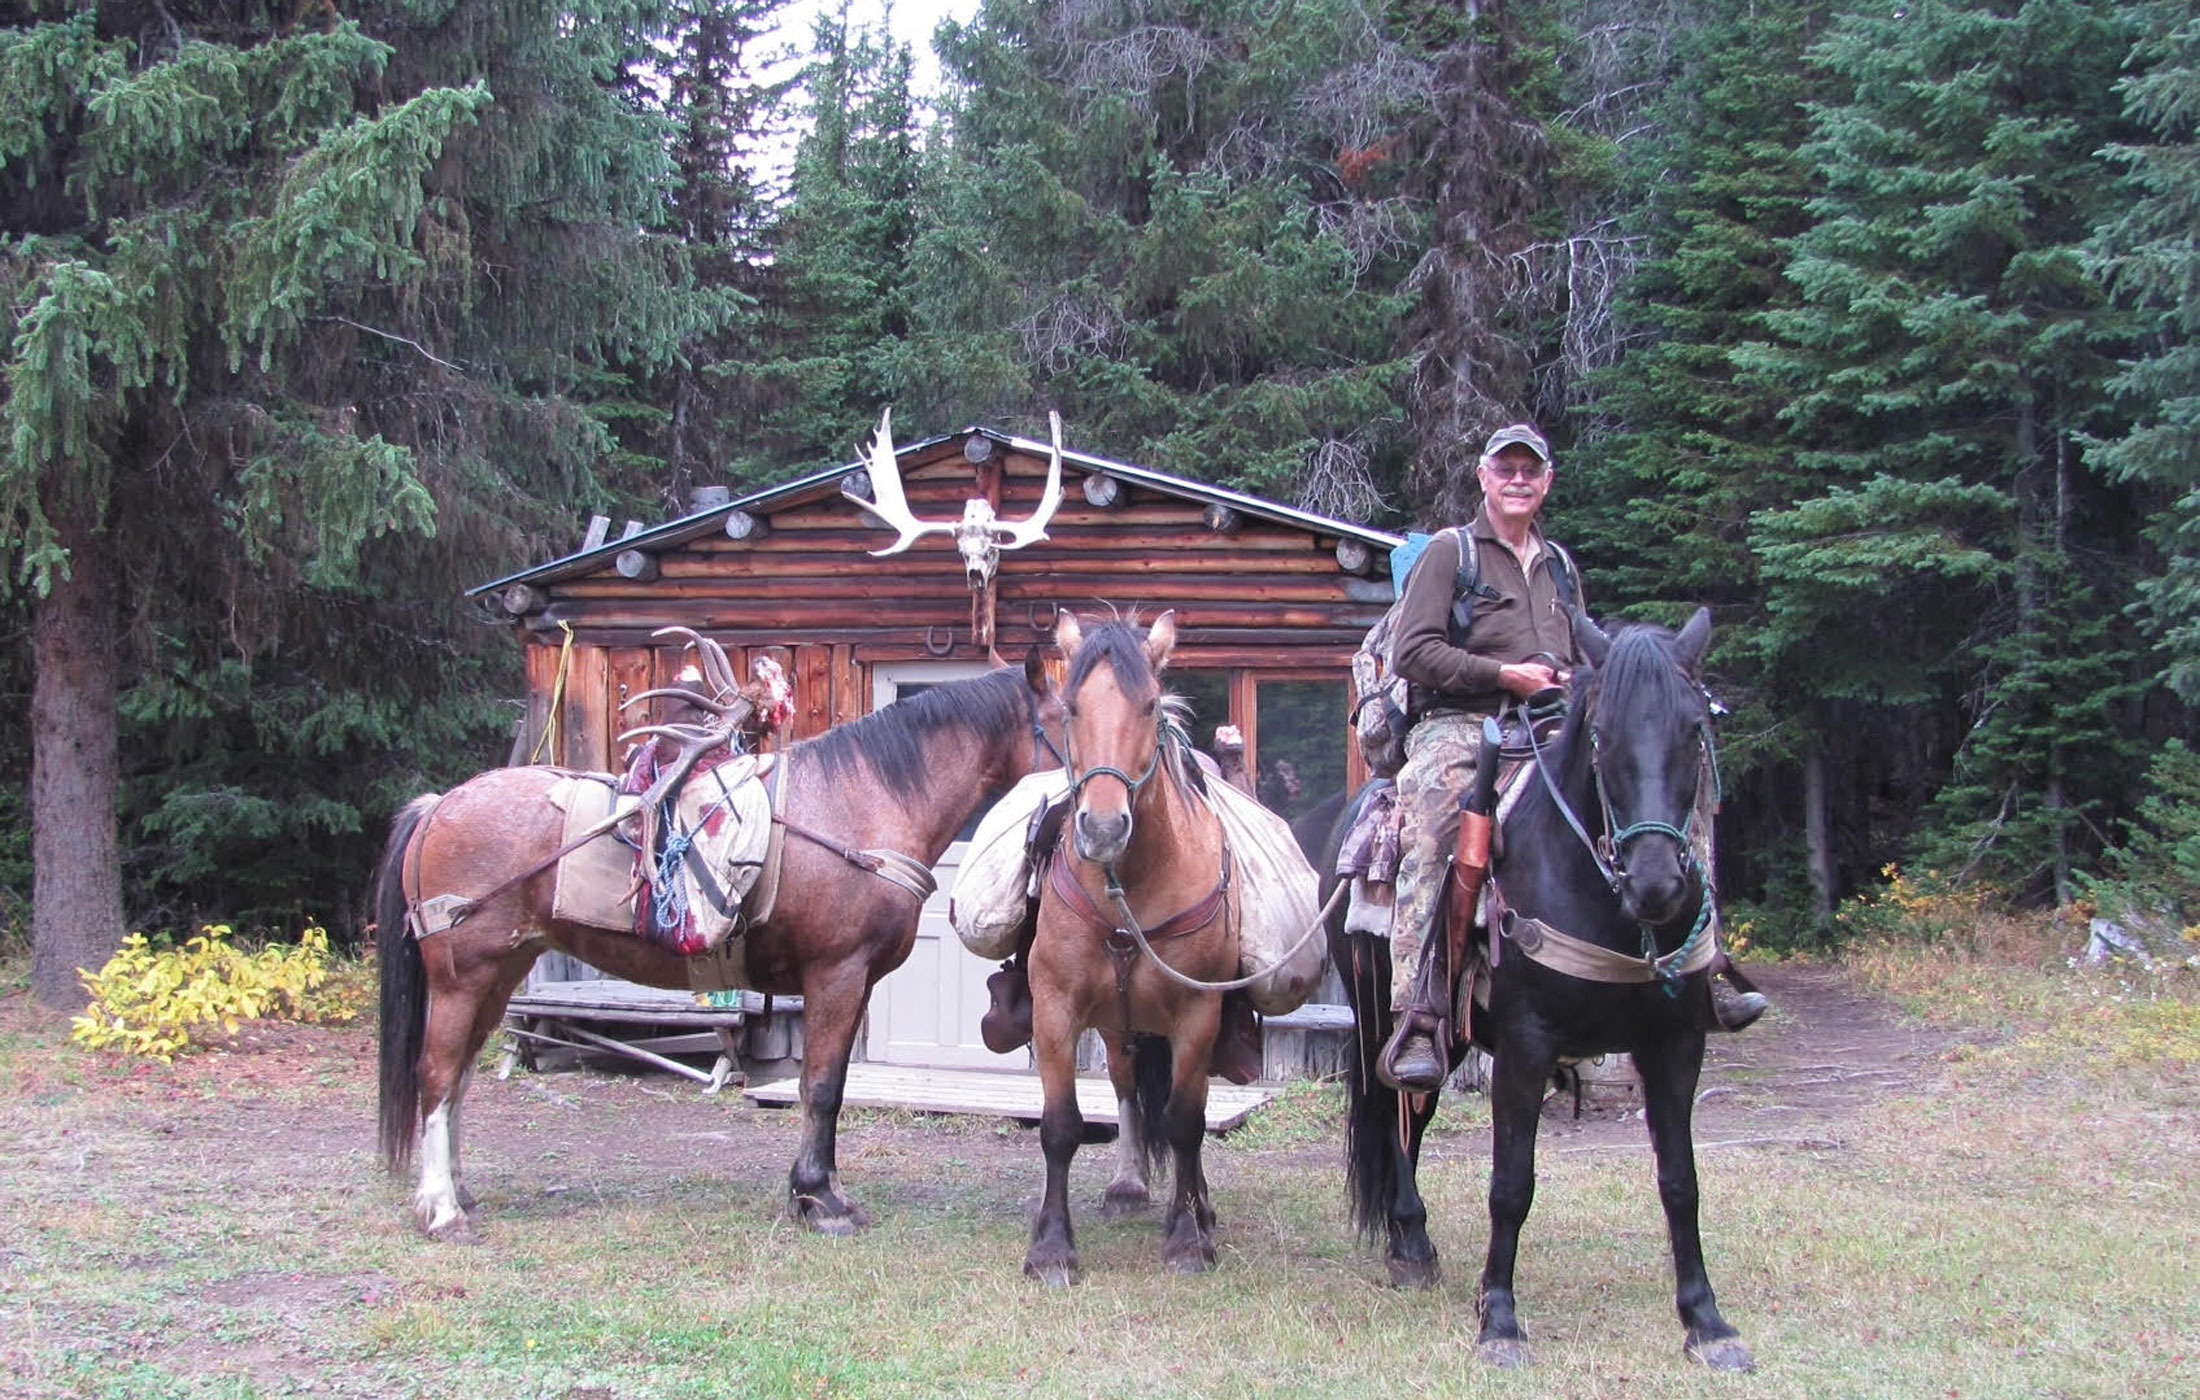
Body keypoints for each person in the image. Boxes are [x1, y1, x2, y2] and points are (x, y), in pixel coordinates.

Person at [1377, 423, 1765, 1092]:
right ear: (1485, 478)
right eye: (1507, 469)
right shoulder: (1452, 553)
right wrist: (1507, 675)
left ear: (1547, 481)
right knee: (1436, 823)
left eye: (1531, 469)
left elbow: (1586, 649)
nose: (1519, 479)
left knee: (1674, 787)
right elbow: (1411, 652)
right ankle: (1416, 1010)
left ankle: (1704, 965)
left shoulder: (1559, 563)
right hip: (1463, 724)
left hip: (1555, 721)